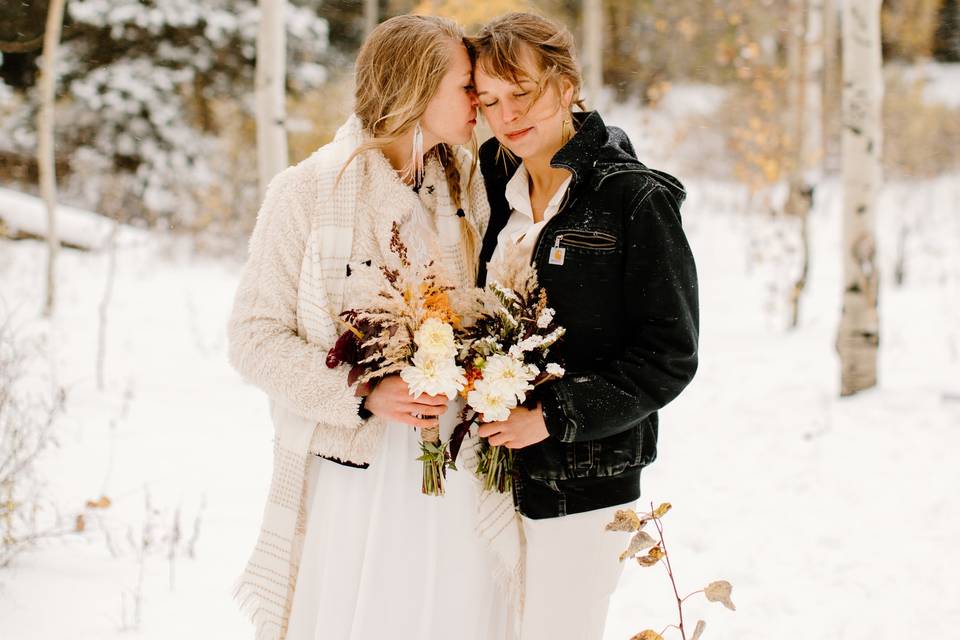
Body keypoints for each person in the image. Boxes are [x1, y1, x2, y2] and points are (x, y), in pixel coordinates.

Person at [228, 15, 517, 640]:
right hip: (359, 466)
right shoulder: (306, 191)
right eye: (466, 85)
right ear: (416, 89)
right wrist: (361, 392)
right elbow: (253, 337)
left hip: (460, 456)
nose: (480, 101)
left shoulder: (471, 183)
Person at [469, 12, 700, 640]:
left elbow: (669, 355)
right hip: (484, 470)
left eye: (523, 92)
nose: (508, 115)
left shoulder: (634, 199)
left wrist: (549, 415)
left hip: (583, 478)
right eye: (488, 100)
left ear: (567, 84)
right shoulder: (493, 178)